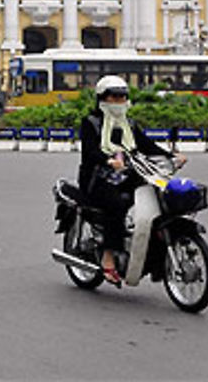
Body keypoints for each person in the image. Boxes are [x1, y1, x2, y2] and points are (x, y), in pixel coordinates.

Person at [78, 75, 186, 287]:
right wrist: (108, 160)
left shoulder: (129, 124)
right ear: (101, 99)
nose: (118, 103)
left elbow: (145, 145)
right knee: (117, 203)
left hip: (126, 173)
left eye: (122, 98)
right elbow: (89, 151)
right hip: (97, 178)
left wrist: (171, 157)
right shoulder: (91, 122)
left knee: (156, 192)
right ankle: (108, 256)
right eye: (113, 98)